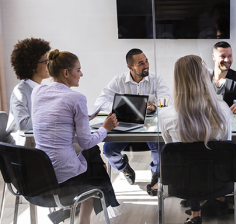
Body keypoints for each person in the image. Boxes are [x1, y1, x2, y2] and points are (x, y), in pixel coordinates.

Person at [30, 49, 120, 224]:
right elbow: (86, 143)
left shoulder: (38, 92)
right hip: (64, 177)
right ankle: (85, 218)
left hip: (41, 173)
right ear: (66, 73)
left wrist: (79, 120)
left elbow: (53, 121)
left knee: (92, 159)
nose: (81, 74)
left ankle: (73, 212)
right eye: (78, 70)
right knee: (93, 156)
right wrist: (105, 128)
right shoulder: (76, 98)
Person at [158, 55, 232, 224]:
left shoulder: (165, 115)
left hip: (181, 183)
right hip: (219, 182)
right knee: (203, 160)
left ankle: (195, 213)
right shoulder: (223, 110)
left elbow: (172, 150)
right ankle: (196, 212)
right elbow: (226, 145)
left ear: (177, 79)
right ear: (205, 77)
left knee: (188, 161)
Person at [94, 48, 171, 193]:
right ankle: (124, 167)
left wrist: (155, 106)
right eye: (141, 63)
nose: (146, 65)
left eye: (146, 60)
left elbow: (166, 102)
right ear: (130, 67)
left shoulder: (157, 79)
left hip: (149, 127)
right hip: (125, 125)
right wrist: (123, 107)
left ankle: (156, 174)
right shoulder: (119, 80)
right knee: (108, 150)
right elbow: (100, 102)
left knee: (160, 147)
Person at [6, 37, 51, 146]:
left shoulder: (43, 89)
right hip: (23, 148)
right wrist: (52, 119)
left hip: (38, 142)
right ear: (32, 66)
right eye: (46, 62)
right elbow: (23, 124)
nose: (49, 65)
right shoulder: (20, 92)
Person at [209, 41, 236, 114]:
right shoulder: (203, 78)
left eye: (229, 56)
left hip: (231, 122)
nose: (227, 60)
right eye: (223, 56)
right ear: (214, 57)